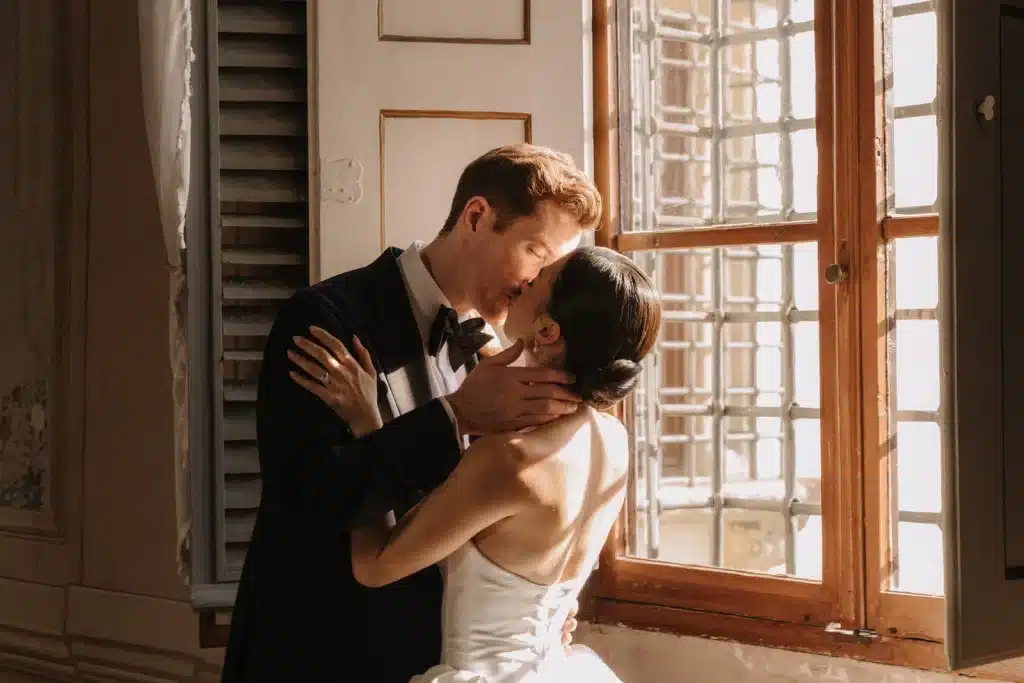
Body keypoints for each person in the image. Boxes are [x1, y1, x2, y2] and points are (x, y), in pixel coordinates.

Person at [221, 144, 603, 683]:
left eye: (551, 268)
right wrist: (456, 415)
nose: (534, 283)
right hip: (320, 655)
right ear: (476, 216)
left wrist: (536, 602)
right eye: (535, 252)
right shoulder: (325, 319)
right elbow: (311, 500)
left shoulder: (505, 354)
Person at [289, 246, 661, 682]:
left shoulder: (510, 460)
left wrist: (366, 425)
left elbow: (374, 565)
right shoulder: (613, 441)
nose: (525, 280)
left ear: (546, 330)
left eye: (539, 279)